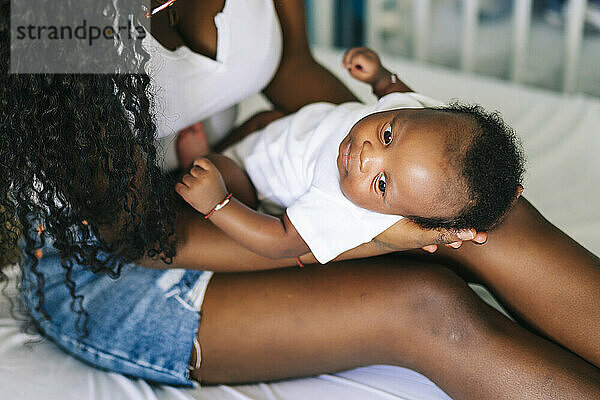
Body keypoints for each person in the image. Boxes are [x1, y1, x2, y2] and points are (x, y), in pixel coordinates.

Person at [3, 1, 600, 399]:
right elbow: (138, 239)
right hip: (113, 265)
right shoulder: (57, 18)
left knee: (478, 207)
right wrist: (358, 237)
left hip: (234, 178)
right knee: (425, 305)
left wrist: (380, 161)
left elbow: (290, 67)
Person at [175, 48, 524, 264]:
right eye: (387, 136)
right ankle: (222, 149)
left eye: (382, 184)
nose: (365, 157)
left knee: (218, 170)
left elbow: (279, 241)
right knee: (264, 121)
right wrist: (381, 77)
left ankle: (206, 160)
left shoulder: (345, 209)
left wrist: (217, 203)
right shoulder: (416, 114)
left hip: (251, 179)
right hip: (287, 132)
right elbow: (398, 95)